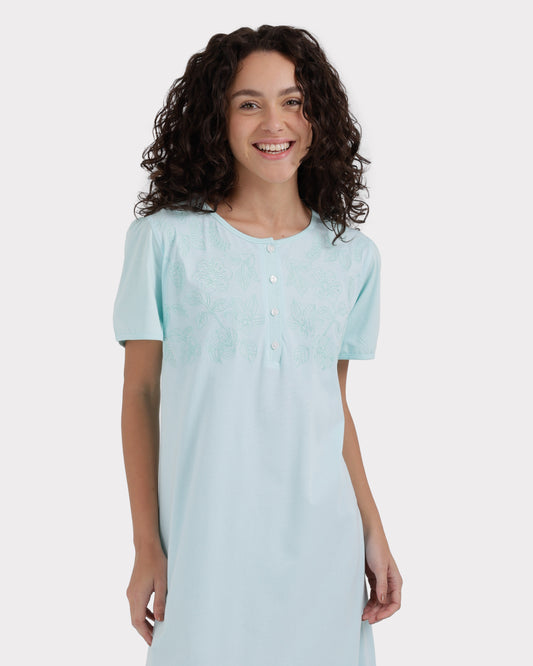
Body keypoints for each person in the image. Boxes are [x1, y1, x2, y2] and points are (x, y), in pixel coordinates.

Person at [113, 24, 402, 666]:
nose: (275, 123)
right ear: (216, 118)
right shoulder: (164, 241)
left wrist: (373, 531)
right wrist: (146, 545)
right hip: (205, 544)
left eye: (293, 101)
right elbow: (140, 395)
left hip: (325, 550)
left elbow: (333, 408)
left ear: (318, 117)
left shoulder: (353, 258)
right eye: (249, 103)